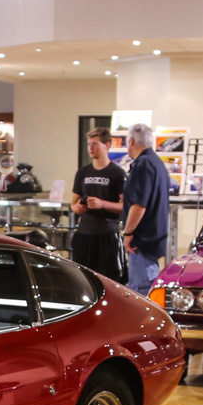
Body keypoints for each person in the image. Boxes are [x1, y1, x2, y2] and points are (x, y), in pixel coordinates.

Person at [69, 126, 127, 282]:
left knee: (110, 281)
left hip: (107, 235)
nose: (91, 148)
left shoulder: (117, 173)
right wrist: (78, 208)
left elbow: (125, 206)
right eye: (89, 144)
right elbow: (73, 204)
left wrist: (103, 204)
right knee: (82, 280)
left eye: (95, 144)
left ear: (107, 145)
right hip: (84, 234)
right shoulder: (82, 172)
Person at [120, 122, 170, 295]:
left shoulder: (142, 165)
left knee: (140, 292)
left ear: (131, 141)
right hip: (155, 239)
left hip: (142, 241)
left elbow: (139, 204)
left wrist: (128, 233)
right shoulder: (157, 163)